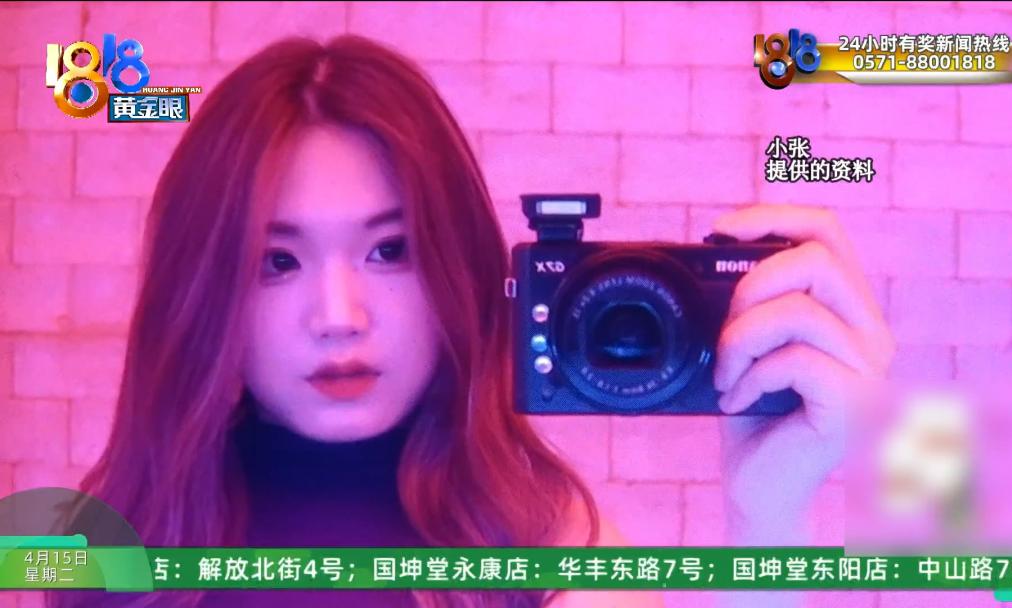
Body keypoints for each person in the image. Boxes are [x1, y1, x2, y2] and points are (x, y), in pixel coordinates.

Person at [48, 34, 893, 608]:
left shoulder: (551, 549)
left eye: (391, 251)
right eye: (277, 261)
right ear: (202, 286)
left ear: (457, 264)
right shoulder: (111, 545)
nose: (338, 317)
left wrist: (767, 523)